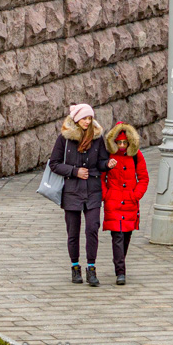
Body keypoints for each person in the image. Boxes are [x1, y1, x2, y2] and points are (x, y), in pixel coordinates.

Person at [48, 104, 114, 287]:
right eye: (84, 118)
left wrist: (107, 164)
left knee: (92, 228)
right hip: (72, 190)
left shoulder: (97, 137)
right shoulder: (65, 138)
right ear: (76, 118)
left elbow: (101, 162)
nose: (87, 121)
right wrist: (74, 171)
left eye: (90, 118)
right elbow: (54, 164)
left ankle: (91, 269)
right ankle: (75, 267)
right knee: (73, 232)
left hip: (93, 190)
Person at [102, 121, 148, 286]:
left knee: (126, 235)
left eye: (124, 143)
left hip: (130, 201)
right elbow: (101, 177)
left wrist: (136, 195)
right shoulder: (108, 155)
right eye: (119, 143)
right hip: (113, 201)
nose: (121, 146)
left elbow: (143, 178)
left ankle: (119, 261)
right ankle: (120, 272)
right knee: (117, 236)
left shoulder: (136, 155)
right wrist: (106, 195)